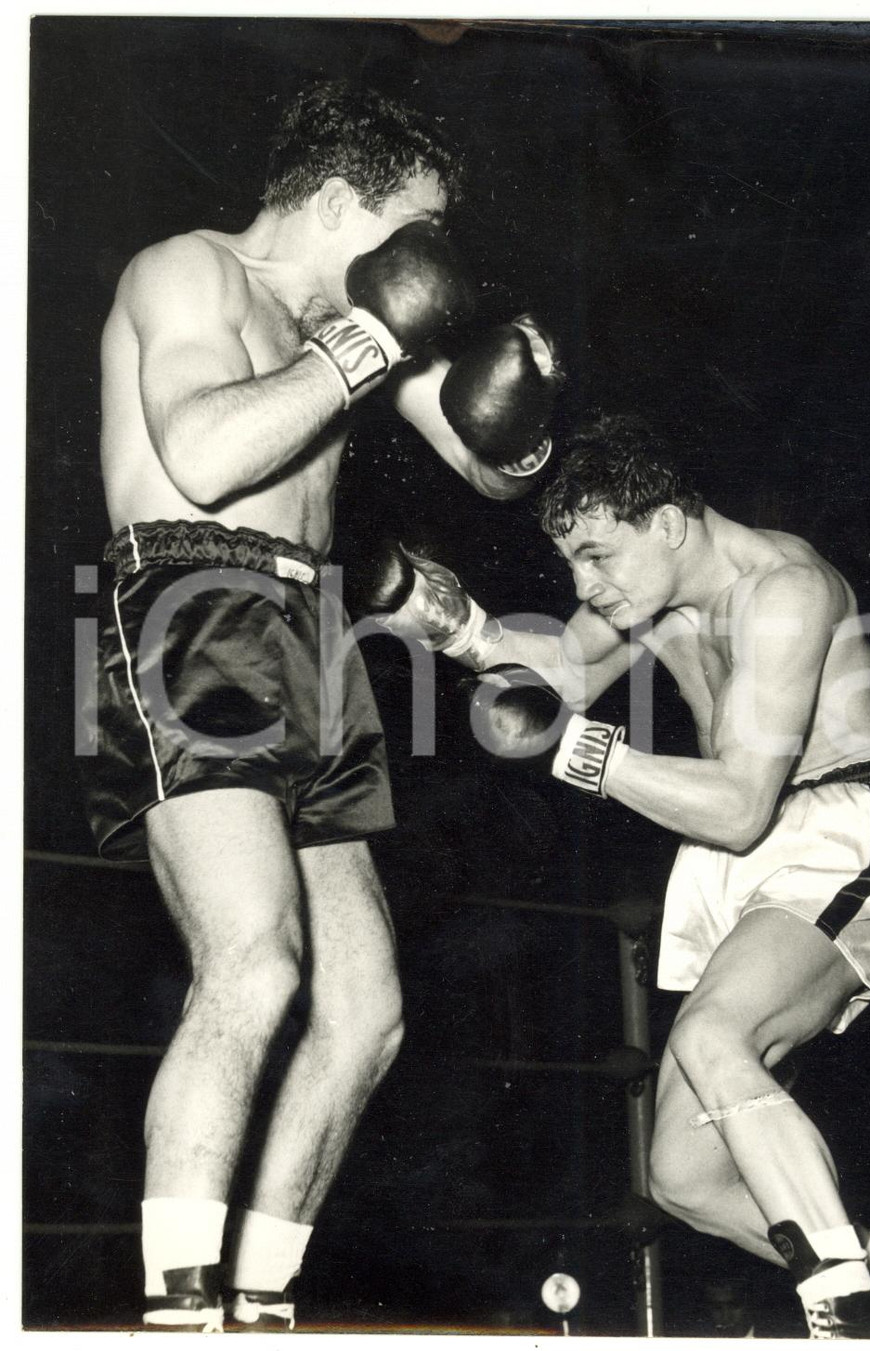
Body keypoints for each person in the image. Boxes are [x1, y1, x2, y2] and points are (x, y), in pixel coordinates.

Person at [82, 80, 560, 1331]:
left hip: (314, 631)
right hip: (195, 600)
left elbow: (480, 459)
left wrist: (525, 420)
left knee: (366, 1009)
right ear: (345, 202)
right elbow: (201, 457)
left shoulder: (352, 319)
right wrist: (364, 345)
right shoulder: (187, 272)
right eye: (418, 228)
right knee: (254, 958)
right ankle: (177, 1303)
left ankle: (263, 1297)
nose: (430, 260)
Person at [361, 413, 870, 1340]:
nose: (583, 583)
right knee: (685, 1179)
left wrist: (577, 752)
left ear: (670, 523)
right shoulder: (645, 599)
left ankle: (844, 1312)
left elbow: (737, 800)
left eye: (598, 556)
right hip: (732, 853)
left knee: (714, 1035)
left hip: (832, 830)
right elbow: (552, 674)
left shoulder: (785, 590)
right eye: (570, 561)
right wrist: (447, 622)